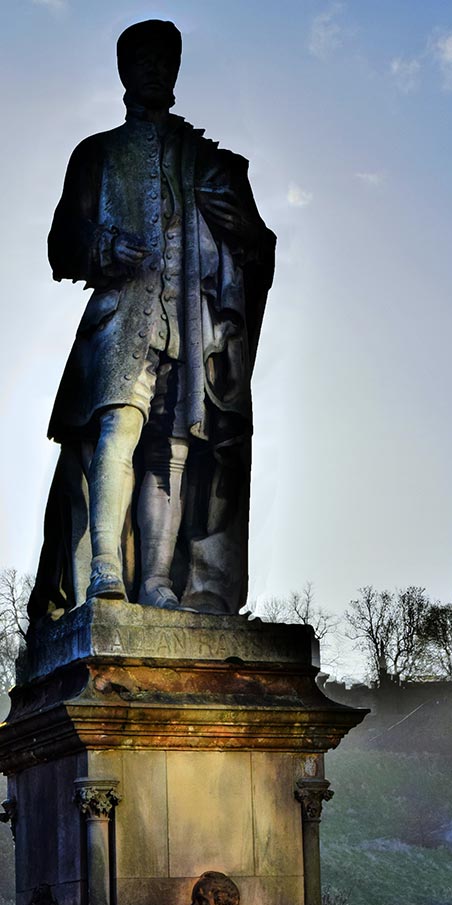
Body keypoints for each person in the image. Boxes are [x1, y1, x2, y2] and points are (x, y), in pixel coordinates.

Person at [28, 19, 275, 619]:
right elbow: (63, 245)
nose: (155, 69)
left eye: (166, 60)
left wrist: (234, 220)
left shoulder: (208, 162)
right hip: (119, 323)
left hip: (186, 329)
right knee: (117, 432)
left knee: (173, 451)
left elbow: (254, 241)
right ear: (123, 71)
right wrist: (105, 245)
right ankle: (106, 571)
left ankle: (159, 581)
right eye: (142, 60)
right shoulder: (98, 154)